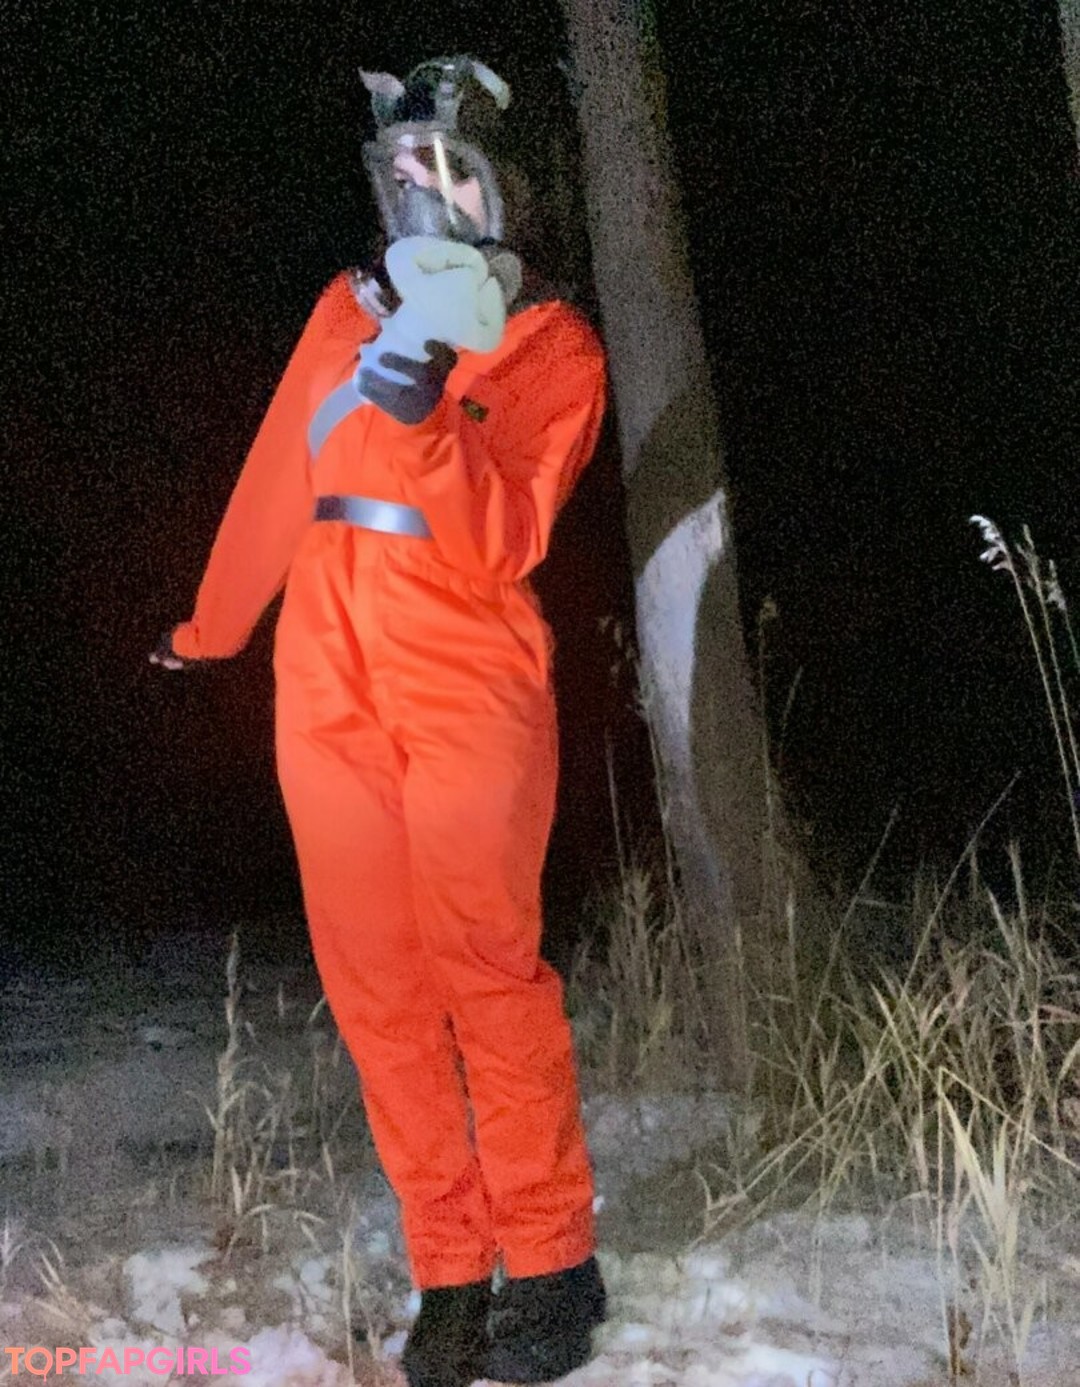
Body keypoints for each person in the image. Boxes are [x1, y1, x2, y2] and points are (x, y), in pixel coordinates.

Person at [151, 55, 608, 1387]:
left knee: (484, 969)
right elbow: (276, 483)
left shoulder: (552, 344)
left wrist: (423, 419)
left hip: (468, 670)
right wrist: (212, 626)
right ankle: (451, 1270)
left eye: (453, 170)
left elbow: (507, 536)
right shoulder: (343, 311)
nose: (427, 193)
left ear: (508, 188)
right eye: (405, 170)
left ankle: (553, 1263)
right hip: (326, 674)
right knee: (378, 992)